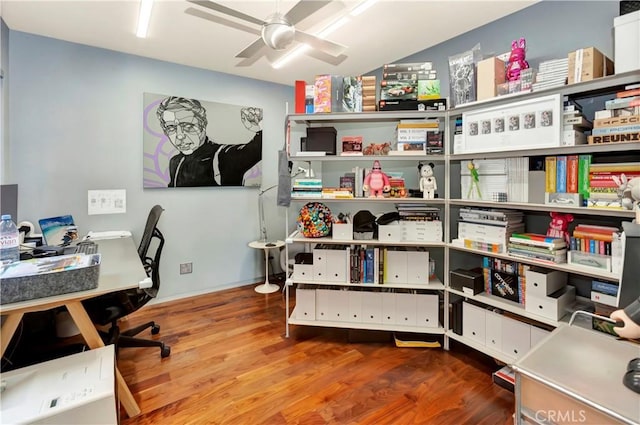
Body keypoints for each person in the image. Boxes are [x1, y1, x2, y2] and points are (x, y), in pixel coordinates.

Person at [156, 96, 262, 187]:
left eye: (188, 126)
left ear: (203, 125)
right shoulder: (175, 162)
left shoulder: (224, 157)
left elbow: (256, 150)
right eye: (171, 128)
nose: (179, 136)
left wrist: (258, 130)